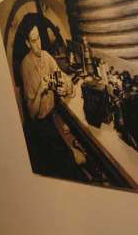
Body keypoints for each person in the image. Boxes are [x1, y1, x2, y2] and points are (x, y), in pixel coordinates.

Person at [20, 19, 87, 180]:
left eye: (39, 38)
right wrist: (41, 91)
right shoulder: (26, 66)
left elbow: (64, 78)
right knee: (74, 167)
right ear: (28, 43)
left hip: (51, 120)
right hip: (40, 129)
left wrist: (67, 87)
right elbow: (32, 113)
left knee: (78, 156)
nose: (39, 44)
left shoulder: (46, 56)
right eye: (34, 41)